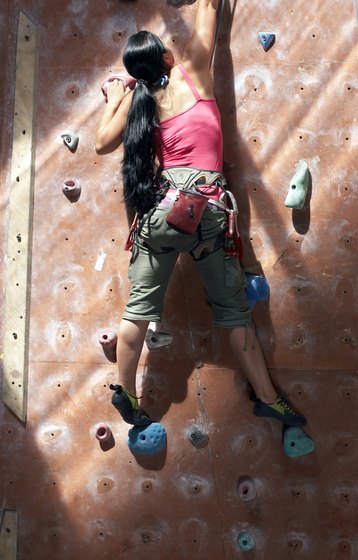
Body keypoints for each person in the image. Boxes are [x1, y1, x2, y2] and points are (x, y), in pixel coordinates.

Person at [94, 0, 306, 430]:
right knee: (233, 314)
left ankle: (126, 394)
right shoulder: (191, 71)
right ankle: (268, 398)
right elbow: (209, 7)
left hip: (159, 211)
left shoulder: (142, 101)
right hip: (206, 211)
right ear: (168, 57)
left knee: (138, 310)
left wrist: (118, 96)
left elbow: (101, 143)